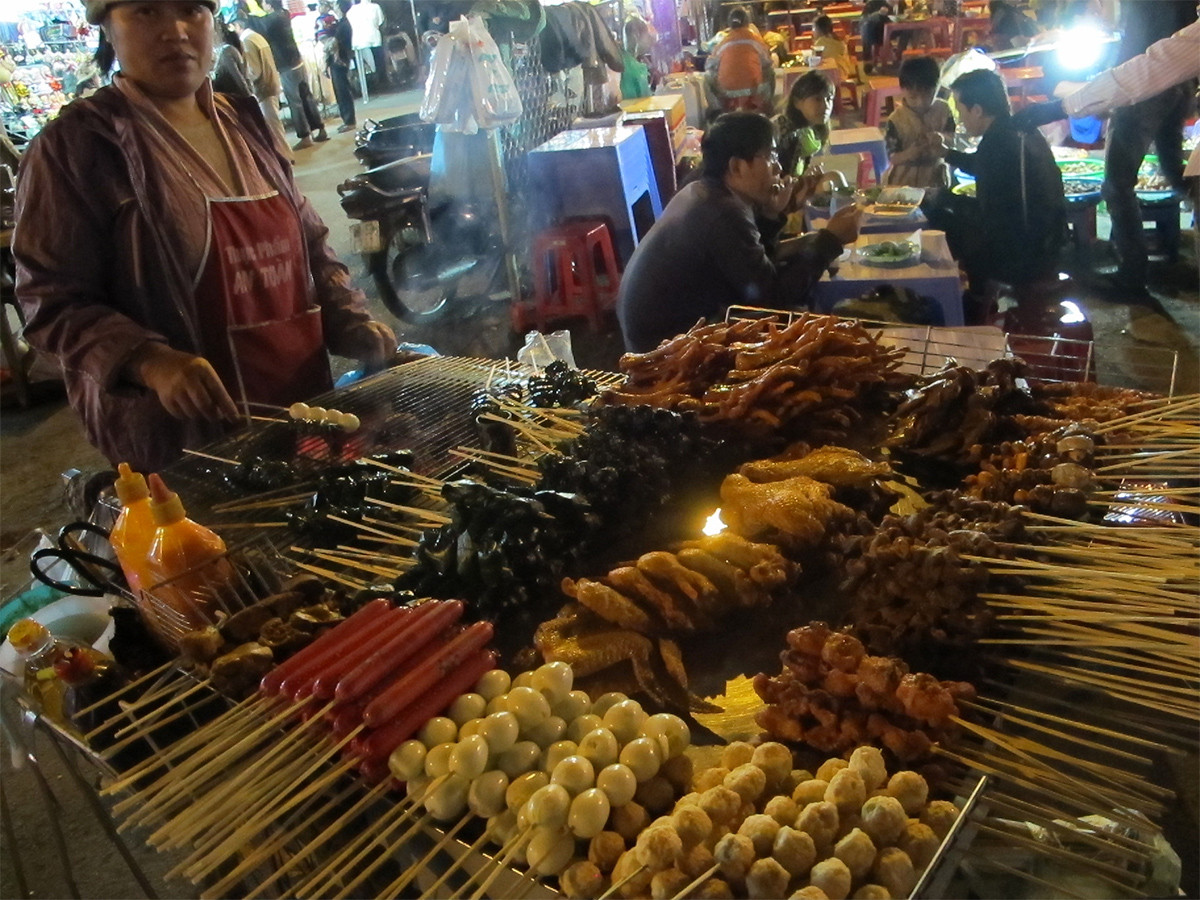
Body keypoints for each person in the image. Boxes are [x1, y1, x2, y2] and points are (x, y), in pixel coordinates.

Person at [13, 0, 395, 473]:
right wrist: (149, 360)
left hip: (302, 409)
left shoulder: (245, 122)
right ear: (107, 29)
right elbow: (49, 299)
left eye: (192, 10)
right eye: (147, 12)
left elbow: (310, 241)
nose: (175, 30)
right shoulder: (74, 147)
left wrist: (348, 315)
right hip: (184, 443)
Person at [617, 112, 861, 352]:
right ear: (736, 166)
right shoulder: (722, 211)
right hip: (663, 351)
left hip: (660, 336)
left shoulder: (704, 191)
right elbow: (772, 299)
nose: (777, 166)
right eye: (770, 156)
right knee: (806, 328)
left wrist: (770, 215)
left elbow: (752, 268)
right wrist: (831, 241)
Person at [926, 69, 1065, 312]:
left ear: (977, 110)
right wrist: (947, 153)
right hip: (1049, 243)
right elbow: (985, 167)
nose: (960, 119)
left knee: (934, 217)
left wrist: (940, 197)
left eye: (961, 111)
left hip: (1020, 255)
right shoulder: (1019, 129)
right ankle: (978, 292)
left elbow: (989, 216)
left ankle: (975, 300)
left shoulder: (996, 145)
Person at [250, 0, 327, 150]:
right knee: (306, 97)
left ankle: (305, 137)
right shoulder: (284, 14)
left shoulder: (273, 18)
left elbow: (259, 24)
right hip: (297, 60)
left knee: (295, 101)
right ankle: (320, 129)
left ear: (269, 4)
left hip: (287, 65)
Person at [882, 55, 954, 187]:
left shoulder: (943, 110)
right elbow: (892, 157)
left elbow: (953, 138)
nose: (920, 102)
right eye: (913, 97)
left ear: (937, 88)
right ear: (902, 91)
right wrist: (908, 154)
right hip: (904, 180)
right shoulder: (896, 119)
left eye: (927, 95)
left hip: (936, 178)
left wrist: (942, 138)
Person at [774, 71, 847, 190]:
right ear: (797, 102)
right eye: (817, 99)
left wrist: (808, 176)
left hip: (790, 187)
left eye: (829, 99)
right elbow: (778, 178)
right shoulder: (784, 130)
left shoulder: (812, 131)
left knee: (834, 178)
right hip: (776, 193)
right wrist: (803, 180)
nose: (825, 106)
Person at [234, 10, 289, 156]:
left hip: (264, 88)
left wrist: (243, 78)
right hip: (271, 84)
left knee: (272, 127)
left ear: (238, 26)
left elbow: (254, 71)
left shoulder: (247, 41)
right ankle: (286, 156)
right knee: (275, 125)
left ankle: (285, 157)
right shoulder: (257, 37)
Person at [705, 6, 775, 114]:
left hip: (726, 93)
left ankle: (717, 111)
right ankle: (768, 108)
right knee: (770, 72)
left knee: (707, 77)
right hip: (753, 91)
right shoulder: (755, 39)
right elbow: (767, 62)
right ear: (748, 22)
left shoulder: (723, 42)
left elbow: (709, 66)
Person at [324, 0, 356, 132]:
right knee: (341, 91)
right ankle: (347, 120)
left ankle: (349, 121)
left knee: (342, 91)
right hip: (340, 60)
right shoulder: (341, 23)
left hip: (340, 61)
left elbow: (333, 44)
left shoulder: (343, 25)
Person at [346, 0, 387, 92]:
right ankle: (381, 83)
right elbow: (380, 21)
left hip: (358, 40)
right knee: (378, 61)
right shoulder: (375, 7)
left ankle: (366, 87)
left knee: (361, 64)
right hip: (374, 38)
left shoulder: (352, 10)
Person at [212, 17, 252, 97]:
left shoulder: (226, 52)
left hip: (238, 100)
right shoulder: (224, 51)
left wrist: (249, 97)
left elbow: (239, 79)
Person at [859, 0, 892, 71]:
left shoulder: (900, 3)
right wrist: (878, 14)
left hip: (889, 29)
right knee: (868, 30)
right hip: (874, 30)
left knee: (908, 32)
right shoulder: (871, 3)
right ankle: (869, 61)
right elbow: (864, 19)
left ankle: (900, 54)